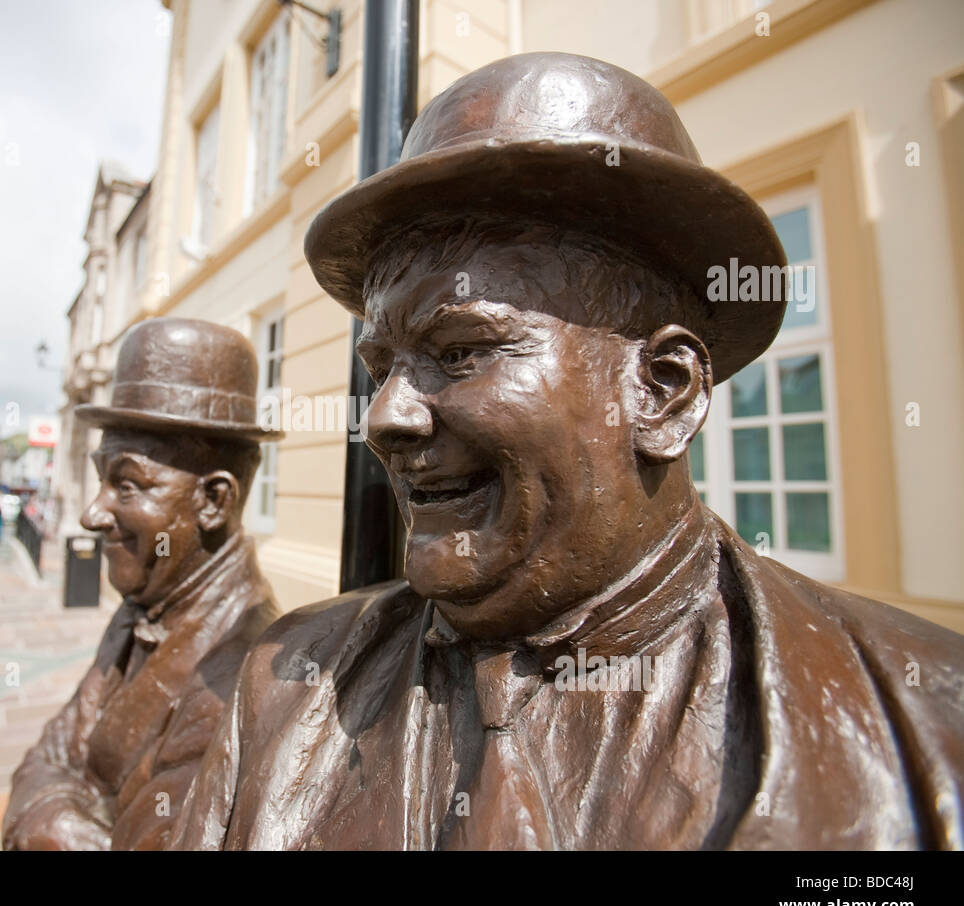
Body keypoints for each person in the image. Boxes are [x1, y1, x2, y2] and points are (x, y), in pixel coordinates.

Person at [171, 53, 964, 851]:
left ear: (663, 392)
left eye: (460, 352)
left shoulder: (929, 719)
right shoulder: (280, 685)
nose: (384, 417)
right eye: (380, 369)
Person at [2, 318, 282, 850]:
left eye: (126, 485)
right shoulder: (144, 603)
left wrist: (46, 813)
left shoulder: (241, 679)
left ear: (213, 501)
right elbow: (47, 757)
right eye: (101, 478)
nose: (92, 514)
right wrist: (61, 809)